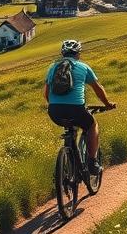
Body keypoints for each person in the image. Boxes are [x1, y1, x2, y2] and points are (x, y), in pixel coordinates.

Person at [44, 39, 114, 175]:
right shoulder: (83, 67)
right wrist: (107, 104)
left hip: (54, 112)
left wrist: (56, 105)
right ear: (78, 54)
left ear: (62, 53)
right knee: (92, 126)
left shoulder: (52, 68)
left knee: (70, 127)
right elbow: (98, 89)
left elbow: (46, 94)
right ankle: (92, 162)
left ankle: (67, 159)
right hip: (76, 110)